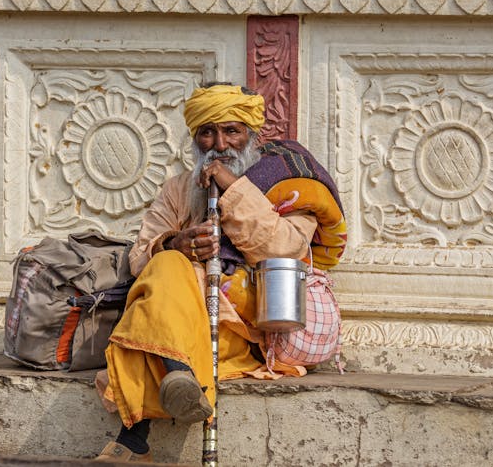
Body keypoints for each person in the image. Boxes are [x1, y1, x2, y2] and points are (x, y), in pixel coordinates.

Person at [95, 83, 347, 462]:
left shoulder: (289, 185)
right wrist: (174, 243)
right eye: (207, 132)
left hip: (242, 329)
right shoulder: (180, 188)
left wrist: (234, 190)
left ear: (251, 135)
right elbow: (139, 257)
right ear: (195, 138)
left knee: (144, 324)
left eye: (232, 131)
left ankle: (135, 439)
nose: (220, 144)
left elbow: (285, 249)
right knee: (165, 264)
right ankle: (178, 377)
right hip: (186, 317)